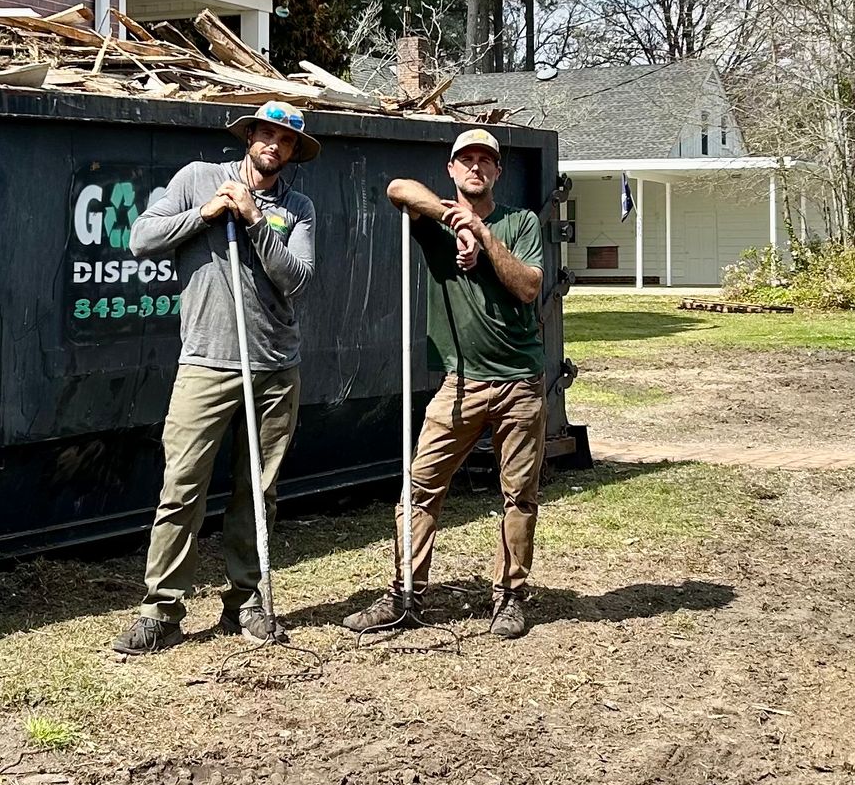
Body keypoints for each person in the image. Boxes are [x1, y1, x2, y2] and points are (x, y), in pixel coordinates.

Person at [113, 101, 320, 655]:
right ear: (249, 135)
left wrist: (254, 219)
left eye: (286, 140)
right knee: (181, 486)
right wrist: (205, 215)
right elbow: (141, 239)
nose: (273, 144)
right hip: (205, 362)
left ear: (295, 152)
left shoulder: (297, 208)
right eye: (266, 133)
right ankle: (162, 610)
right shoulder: (198, 179)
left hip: (275, 366)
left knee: (257, 492)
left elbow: (296, 280)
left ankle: (246, 603)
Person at [343, 128, 545, 640]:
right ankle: (406, 593)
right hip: (460, 384)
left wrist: (482, 235)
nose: (476, 167)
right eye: (466, 160)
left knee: (518, 495)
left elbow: (527, 287)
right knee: (420, 487)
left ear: (498, 172)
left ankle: (511, 597)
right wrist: (452, 221)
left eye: (486, 161)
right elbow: (396, 189)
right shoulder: (433, 220)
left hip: (520, 382)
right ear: (452, 169)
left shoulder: (520, 222)